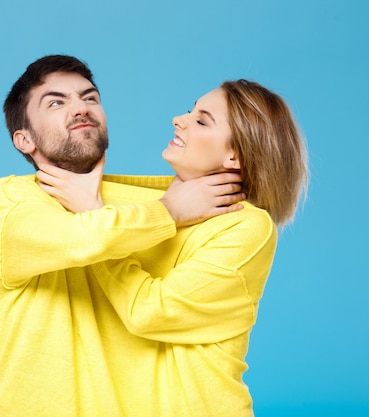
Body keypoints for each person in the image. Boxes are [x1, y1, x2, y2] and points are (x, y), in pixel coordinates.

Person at [0, 55, 246, 416]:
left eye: (90, 98)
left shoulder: (201, 205)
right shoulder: (7, 202)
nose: (81, 108)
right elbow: (84, 237)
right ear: (23, 140)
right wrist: (171, 212)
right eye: (56, 102)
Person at [36, 80, 308, 416]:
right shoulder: (158, 207)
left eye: (202, 120)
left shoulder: (247, 226)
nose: (179, 119)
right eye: (190, 109)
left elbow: (151, 312)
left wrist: (95, 217)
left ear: (234, 155)